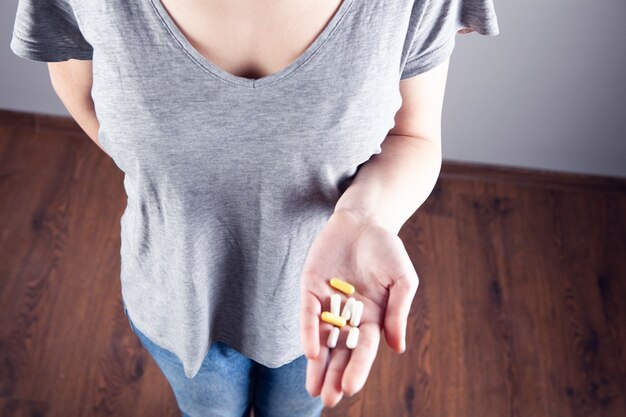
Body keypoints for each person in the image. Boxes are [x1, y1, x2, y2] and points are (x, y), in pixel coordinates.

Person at [10, 0, 499, 415]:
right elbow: (81, 96)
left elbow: (413, 136)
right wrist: (168, 171)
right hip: (175, 298)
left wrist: (364, 218)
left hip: (326, 307)